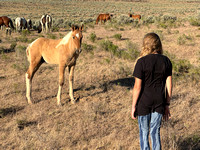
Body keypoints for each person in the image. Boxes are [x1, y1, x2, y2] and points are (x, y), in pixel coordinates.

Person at [131, 33, 172, 150]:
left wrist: (133, 106)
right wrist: (167, 104)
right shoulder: (166, 61)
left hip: (144, 102)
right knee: (155, 133)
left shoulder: (141, 62)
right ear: (159, 45)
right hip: (159, 101)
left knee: (144, 133)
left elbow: (137, 87)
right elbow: (169, 85)